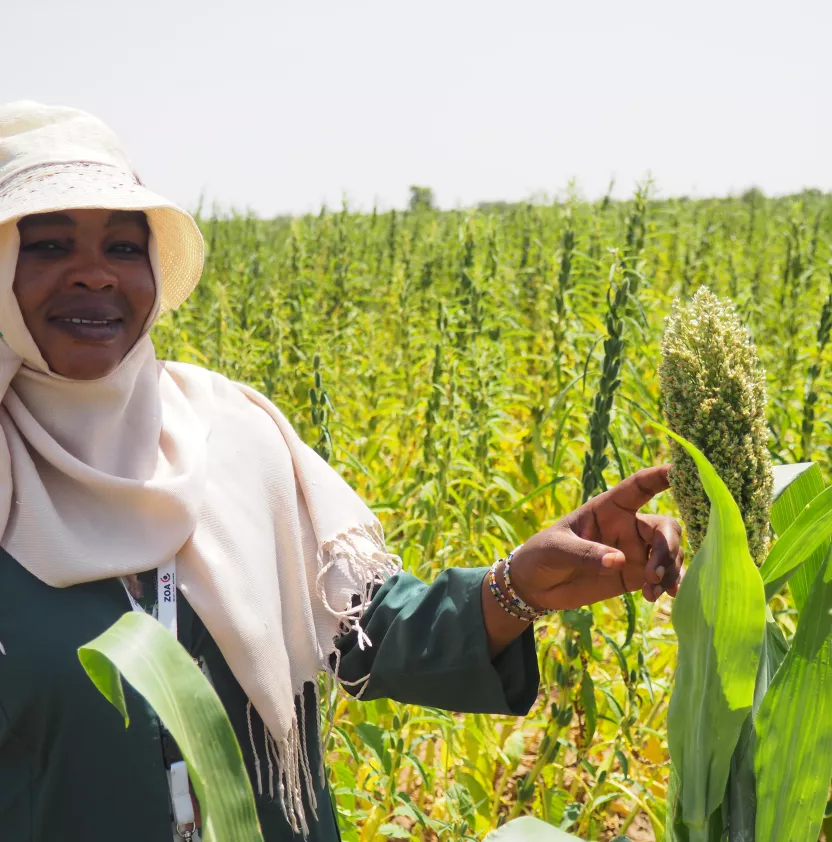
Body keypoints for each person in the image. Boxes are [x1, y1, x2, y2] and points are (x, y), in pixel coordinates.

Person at [0, 102, 683, 842]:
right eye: (48, 245)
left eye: (124, 248)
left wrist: (516, 587)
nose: (95, 277)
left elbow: (365, 631)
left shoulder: (226, 433)